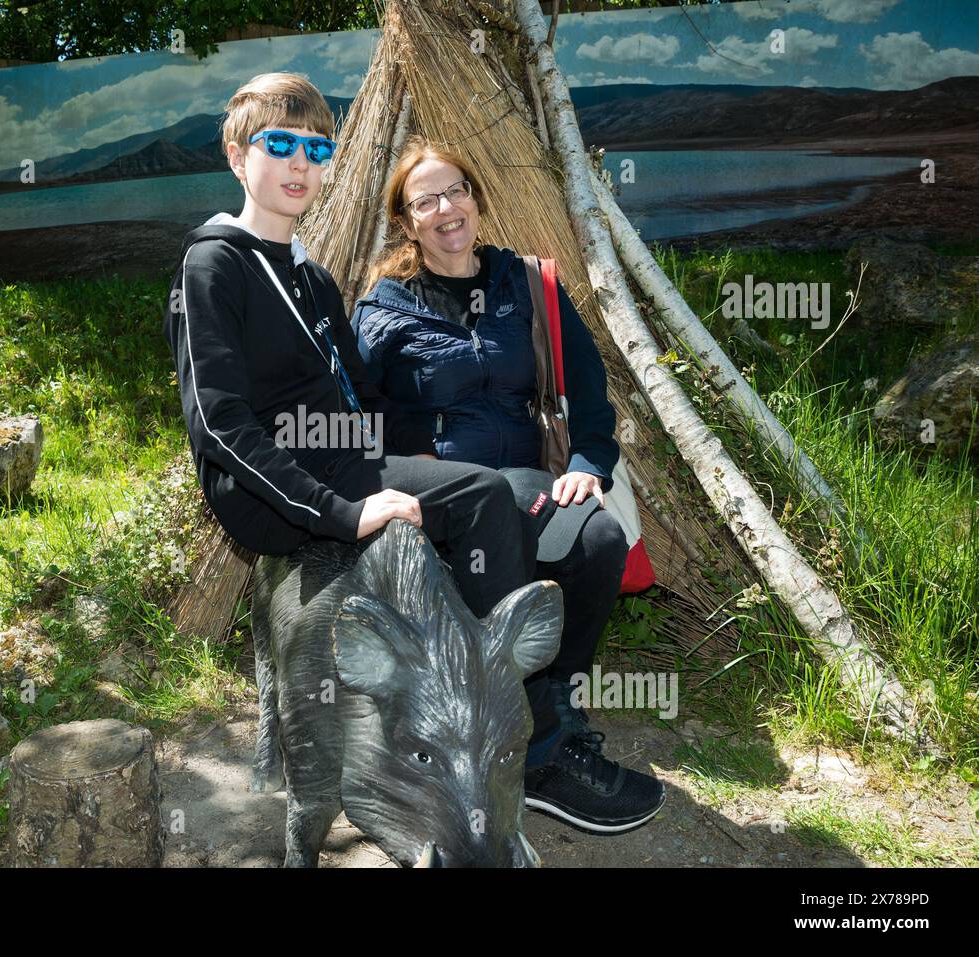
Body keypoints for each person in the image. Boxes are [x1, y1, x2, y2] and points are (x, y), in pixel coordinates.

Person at [352, 137, 665, 833]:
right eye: (424, 200)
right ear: (406, 222)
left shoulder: (526, 284)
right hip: (444, 491)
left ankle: (553, 701)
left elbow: (587, 390)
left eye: (454, 190)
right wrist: (392, 478)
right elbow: (351, 417)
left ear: (477, 197)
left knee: (599, 538)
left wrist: (588, 464)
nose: (445, 209)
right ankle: (543, 752)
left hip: (526, 477)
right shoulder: (384, 309)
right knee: (500, 512)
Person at [161, 72, 544, 627]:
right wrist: (338, 513)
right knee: (483, 494)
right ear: (237, 157)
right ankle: (517, 697)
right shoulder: (212, 265)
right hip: (273, 492)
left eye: (317, 149)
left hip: (339, 456)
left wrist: (422, 450)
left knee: (491, 487)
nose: (301, 163)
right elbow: (218, 424)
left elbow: (359, 392)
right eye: (281, 144)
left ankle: (479, 667)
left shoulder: (309, 276)